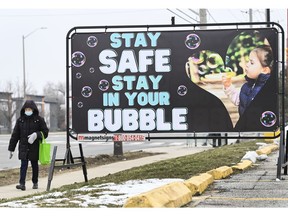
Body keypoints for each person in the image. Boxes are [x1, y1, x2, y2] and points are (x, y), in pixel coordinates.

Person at [222, 44, 273, 117]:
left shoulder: (269, 89)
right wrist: (228, 86)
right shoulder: (246, 86)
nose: (247, 64)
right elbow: (238, 100)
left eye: (252, 62)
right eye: (248, 61)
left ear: (265, 70)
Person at [8, 100, 49, 191]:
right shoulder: (20, 120)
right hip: (23, 146)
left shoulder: (39, 120)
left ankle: (35, 182)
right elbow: (15, 135)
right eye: (26, 109)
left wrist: (36, 135)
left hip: (34, 147)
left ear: (33, 109)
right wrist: (11, 149)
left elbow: (45, 132)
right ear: (24, 110)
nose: (28, 110)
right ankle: (22, 183)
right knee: (23, 165)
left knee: (34, 165)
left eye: (29, 109)